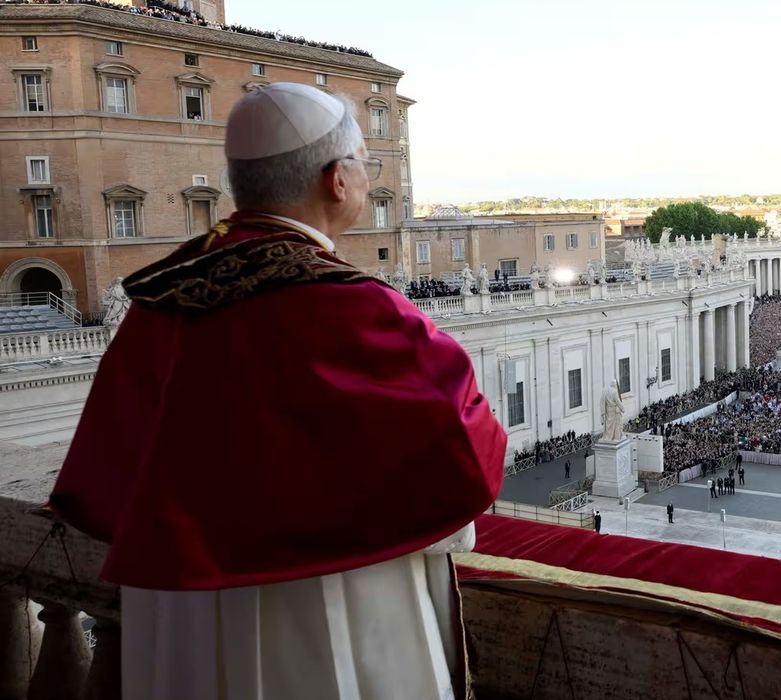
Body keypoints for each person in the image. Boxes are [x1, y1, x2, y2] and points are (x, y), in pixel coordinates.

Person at [47, 83, 506, 700]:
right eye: (364, 164)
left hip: (182, 603)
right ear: (336, 180)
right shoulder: (354, 305)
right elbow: (467, 442)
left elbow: (112, 459)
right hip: (328, 593)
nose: (367, 179)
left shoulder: (163, 297)